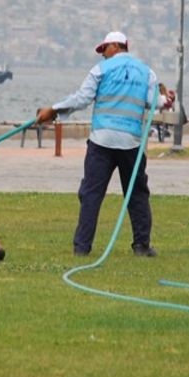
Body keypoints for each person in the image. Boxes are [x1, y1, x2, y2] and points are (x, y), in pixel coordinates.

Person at [36, 31, 174, 257]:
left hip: (102, 142)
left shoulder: (100, 70)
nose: (103, 55)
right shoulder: (147, 73)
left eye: (104, 49)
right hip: (131, 143)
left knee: (91, 194)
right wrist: (167, 101)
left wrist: (54, 109)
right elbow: (153, 102)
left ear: (117, 46)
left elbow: (82, 99)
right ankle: (142, 245)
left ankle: (82, 248)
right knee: (137, 194)